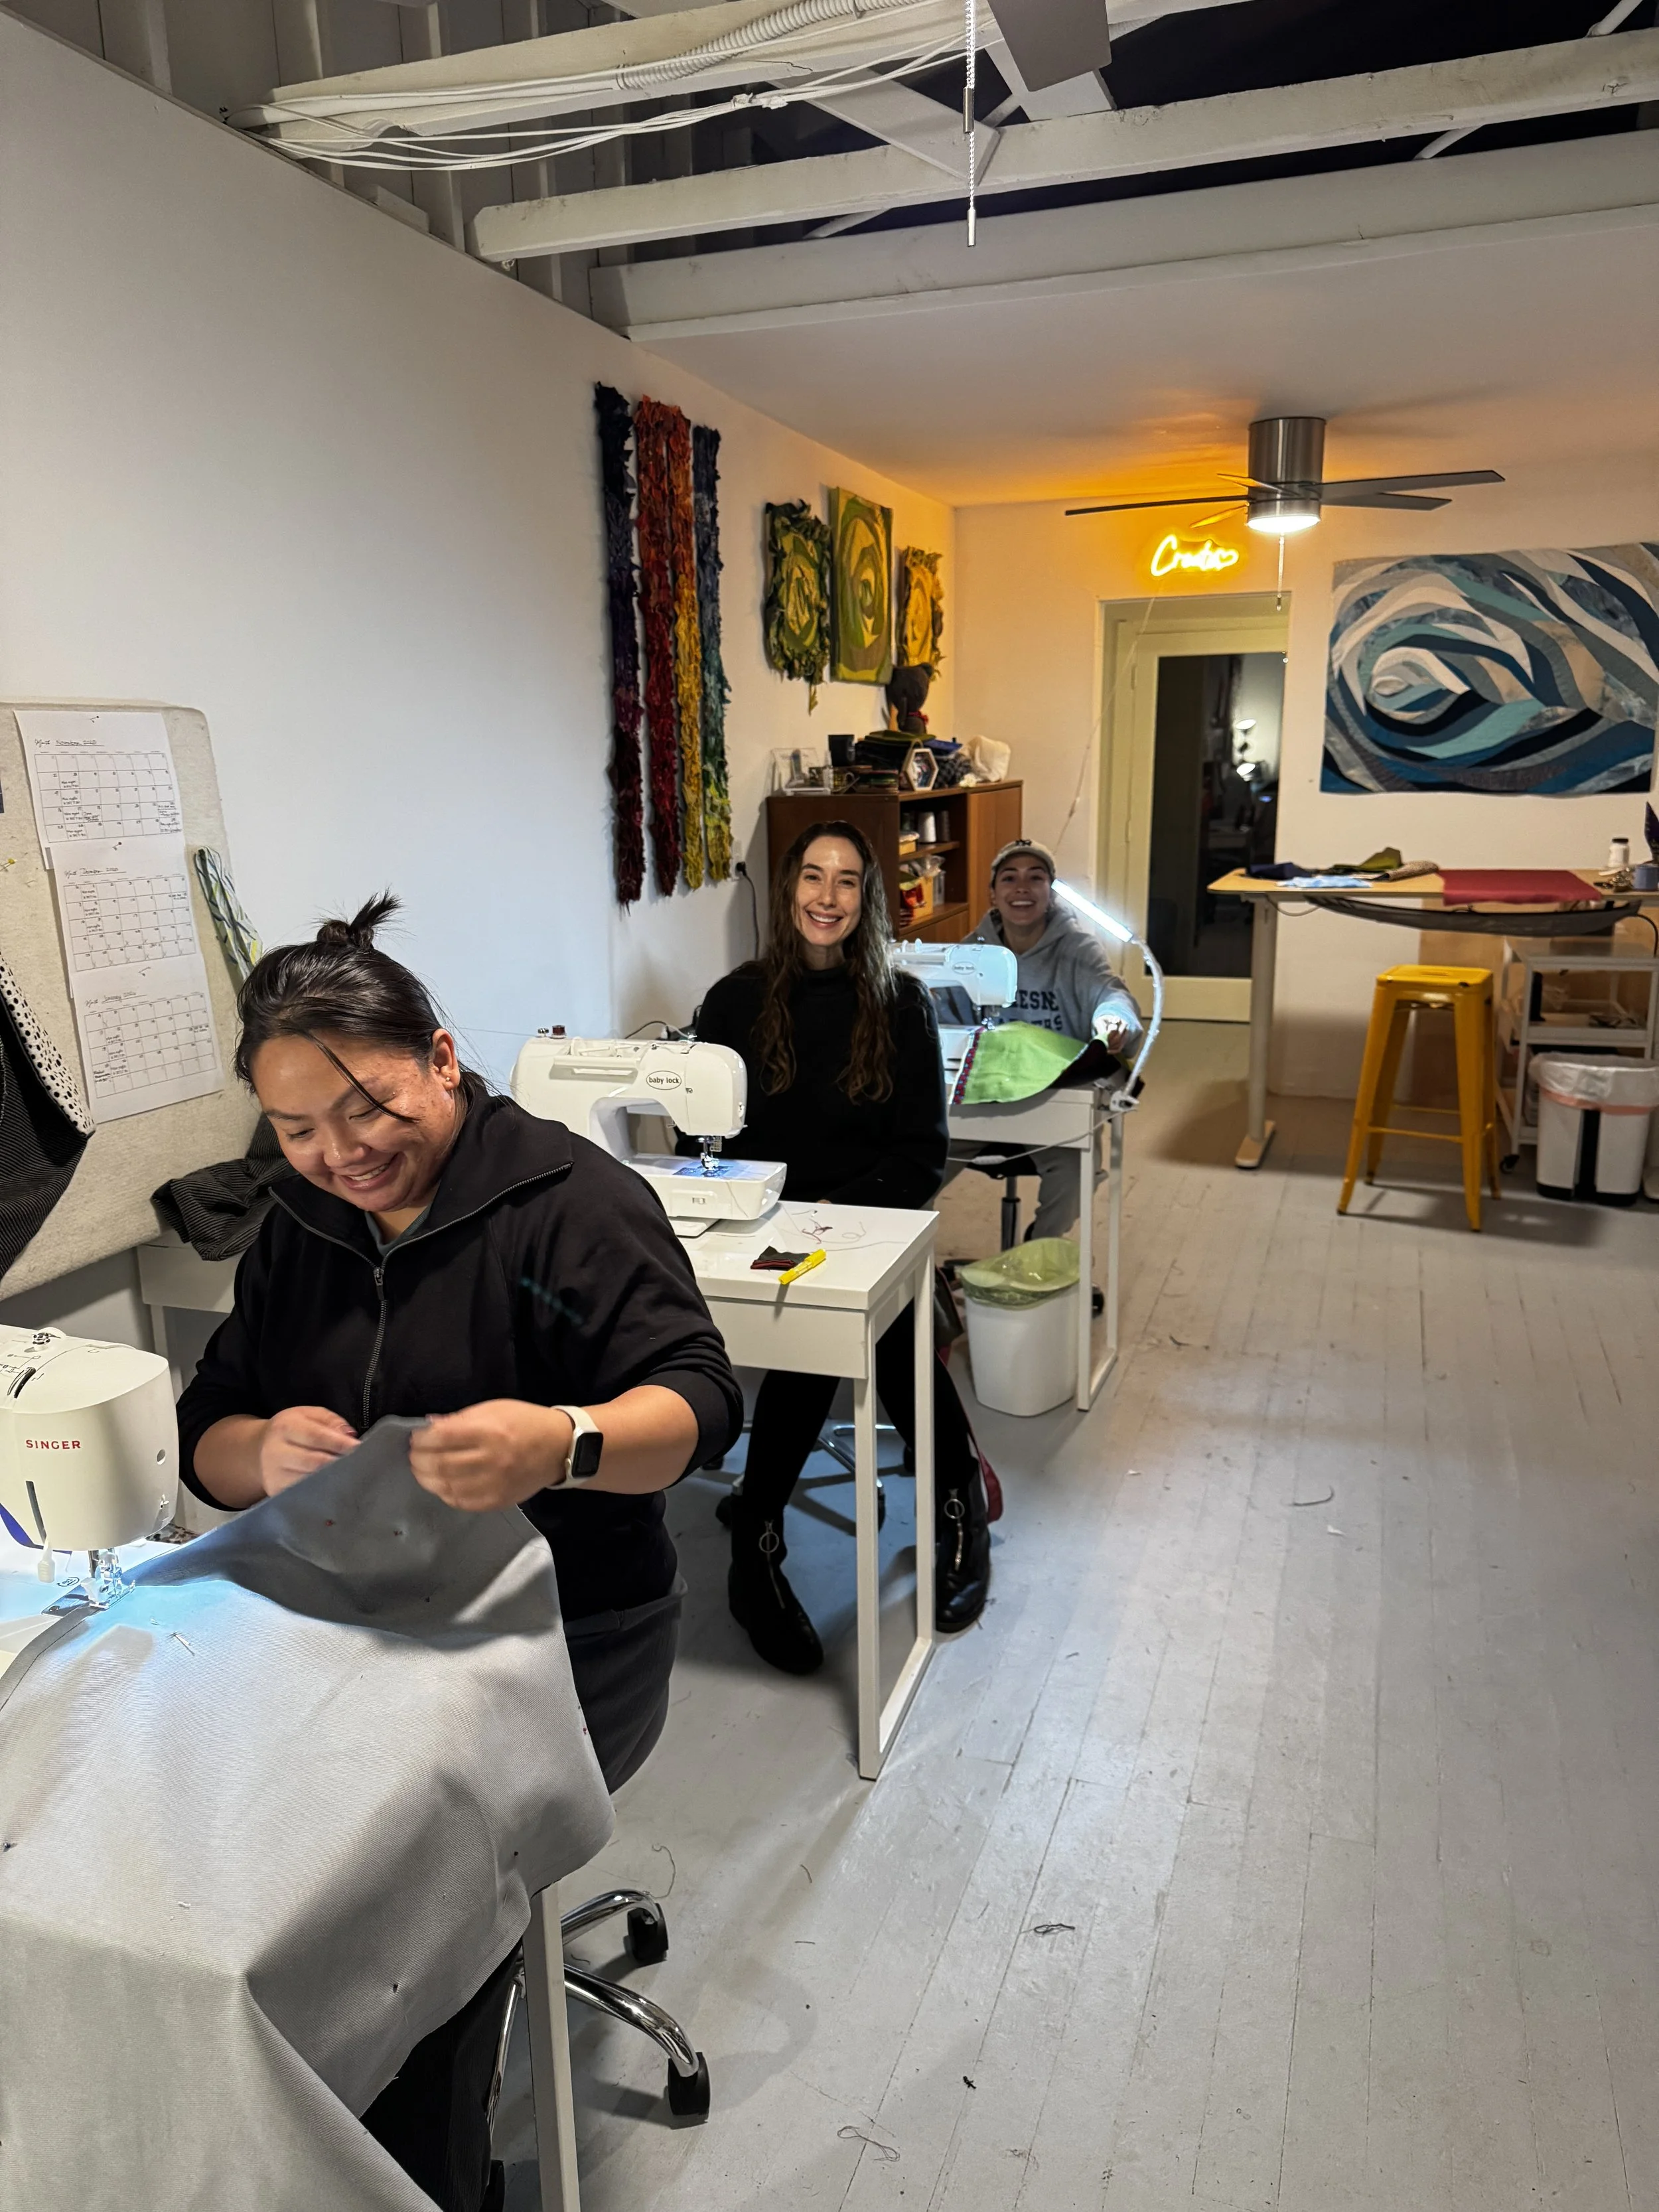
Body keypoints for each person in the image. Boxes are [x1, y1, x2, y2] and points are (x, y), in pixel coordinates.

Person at [175, 895, 741, 2212]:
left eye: (364, 1106)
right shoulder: (301, 1223)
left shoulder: (570, 1204)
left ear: (439, 1057)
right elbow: (208, 1423)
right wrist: (259, 1450)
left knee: (401, 1928)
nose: (337, 1153)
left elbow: (702, 1404)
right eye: (296, 1129)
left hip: (560, 1635)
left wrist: (565, 1440)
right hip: (347, 1625)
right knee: (216, 1867)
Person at [691, 822, 991, 1677]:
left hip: (871, 1219)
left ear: (868, 900)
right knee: (832, 1326)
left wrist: (837, 1215)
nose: (827, 897)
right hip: (768, 1220)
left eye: (848, 881)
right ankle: (955, 1499)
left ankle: (760, 1538)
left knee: (855, 1324)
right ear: (790, 888)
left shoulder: (900, 1005)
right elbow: (702, 1134)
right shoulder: (733, 1002)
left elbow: (922, 1152)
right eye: (813, 877)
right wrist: (757, 1207)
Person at [954, 838, 1143, 1241]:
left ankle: (1035, 1257)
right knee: (911, 1164)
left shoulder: (1077, 950)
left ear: (1052, 892)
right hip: (982, 1097)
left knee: (1076, 1176)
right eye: (1009, 878)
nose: (1022, 887)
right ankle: (916, 1270)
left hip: (1055, 1098)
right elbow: (941, 1009)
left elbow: (1110, 992)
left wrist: (1114, 1021)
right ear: (993, 894)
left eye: (1035, 878)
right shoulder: (972, 952)